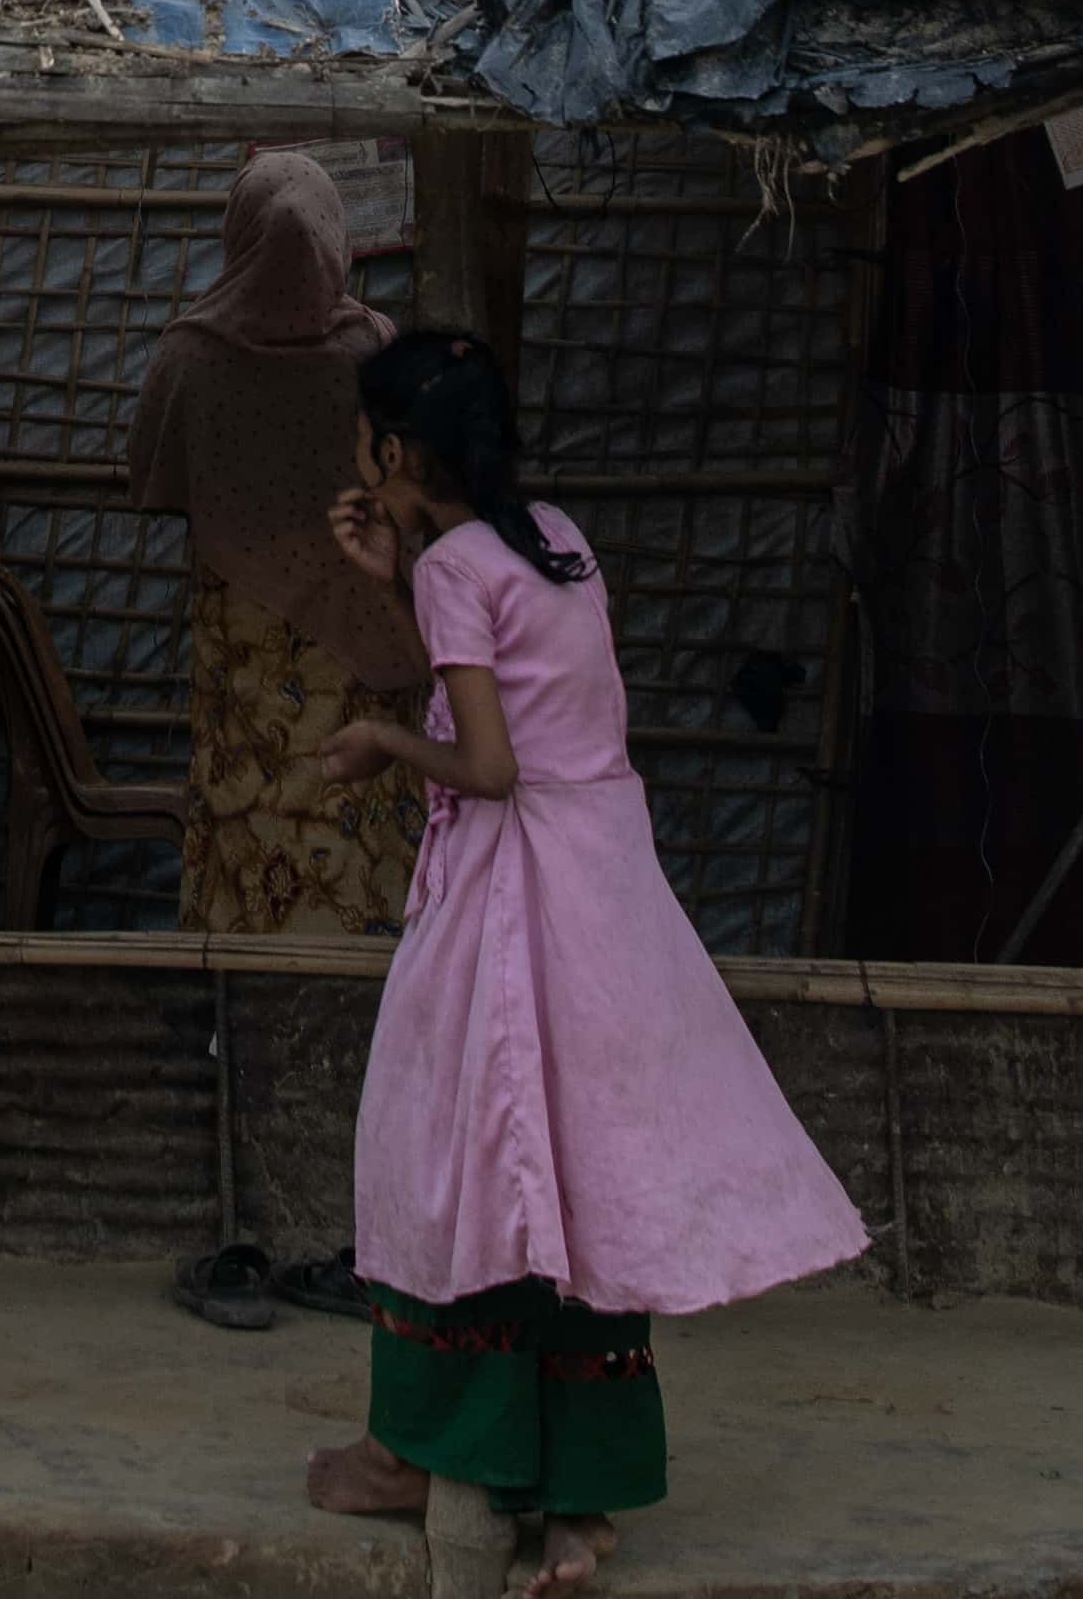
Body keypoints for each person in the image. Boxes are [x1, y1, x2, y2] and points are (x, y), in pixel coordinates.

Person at [304, 332, 865, 1592]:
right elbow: (519, 689)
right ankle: (583, 1500)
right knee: (584, 1171)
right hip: (605, 890)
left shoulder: (455, 563)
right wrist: (397, 573)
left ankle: (434, 1446)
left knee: (453, 1157)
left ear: (394, 453)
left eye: (366, 442)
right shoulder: (550, 533)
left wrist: (385, 735)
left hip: (515, 893)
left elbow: (490, 762)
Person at [124, 149, 428, 942]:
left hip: (246, 663)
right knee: (361, 828)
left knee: (246, 820)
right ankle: (375, 1029)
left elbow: (155, 481)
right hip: (360, 648)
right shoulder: (375, 354)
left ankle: (239, 1014)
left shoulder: (186, 359)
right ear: (335, 238)